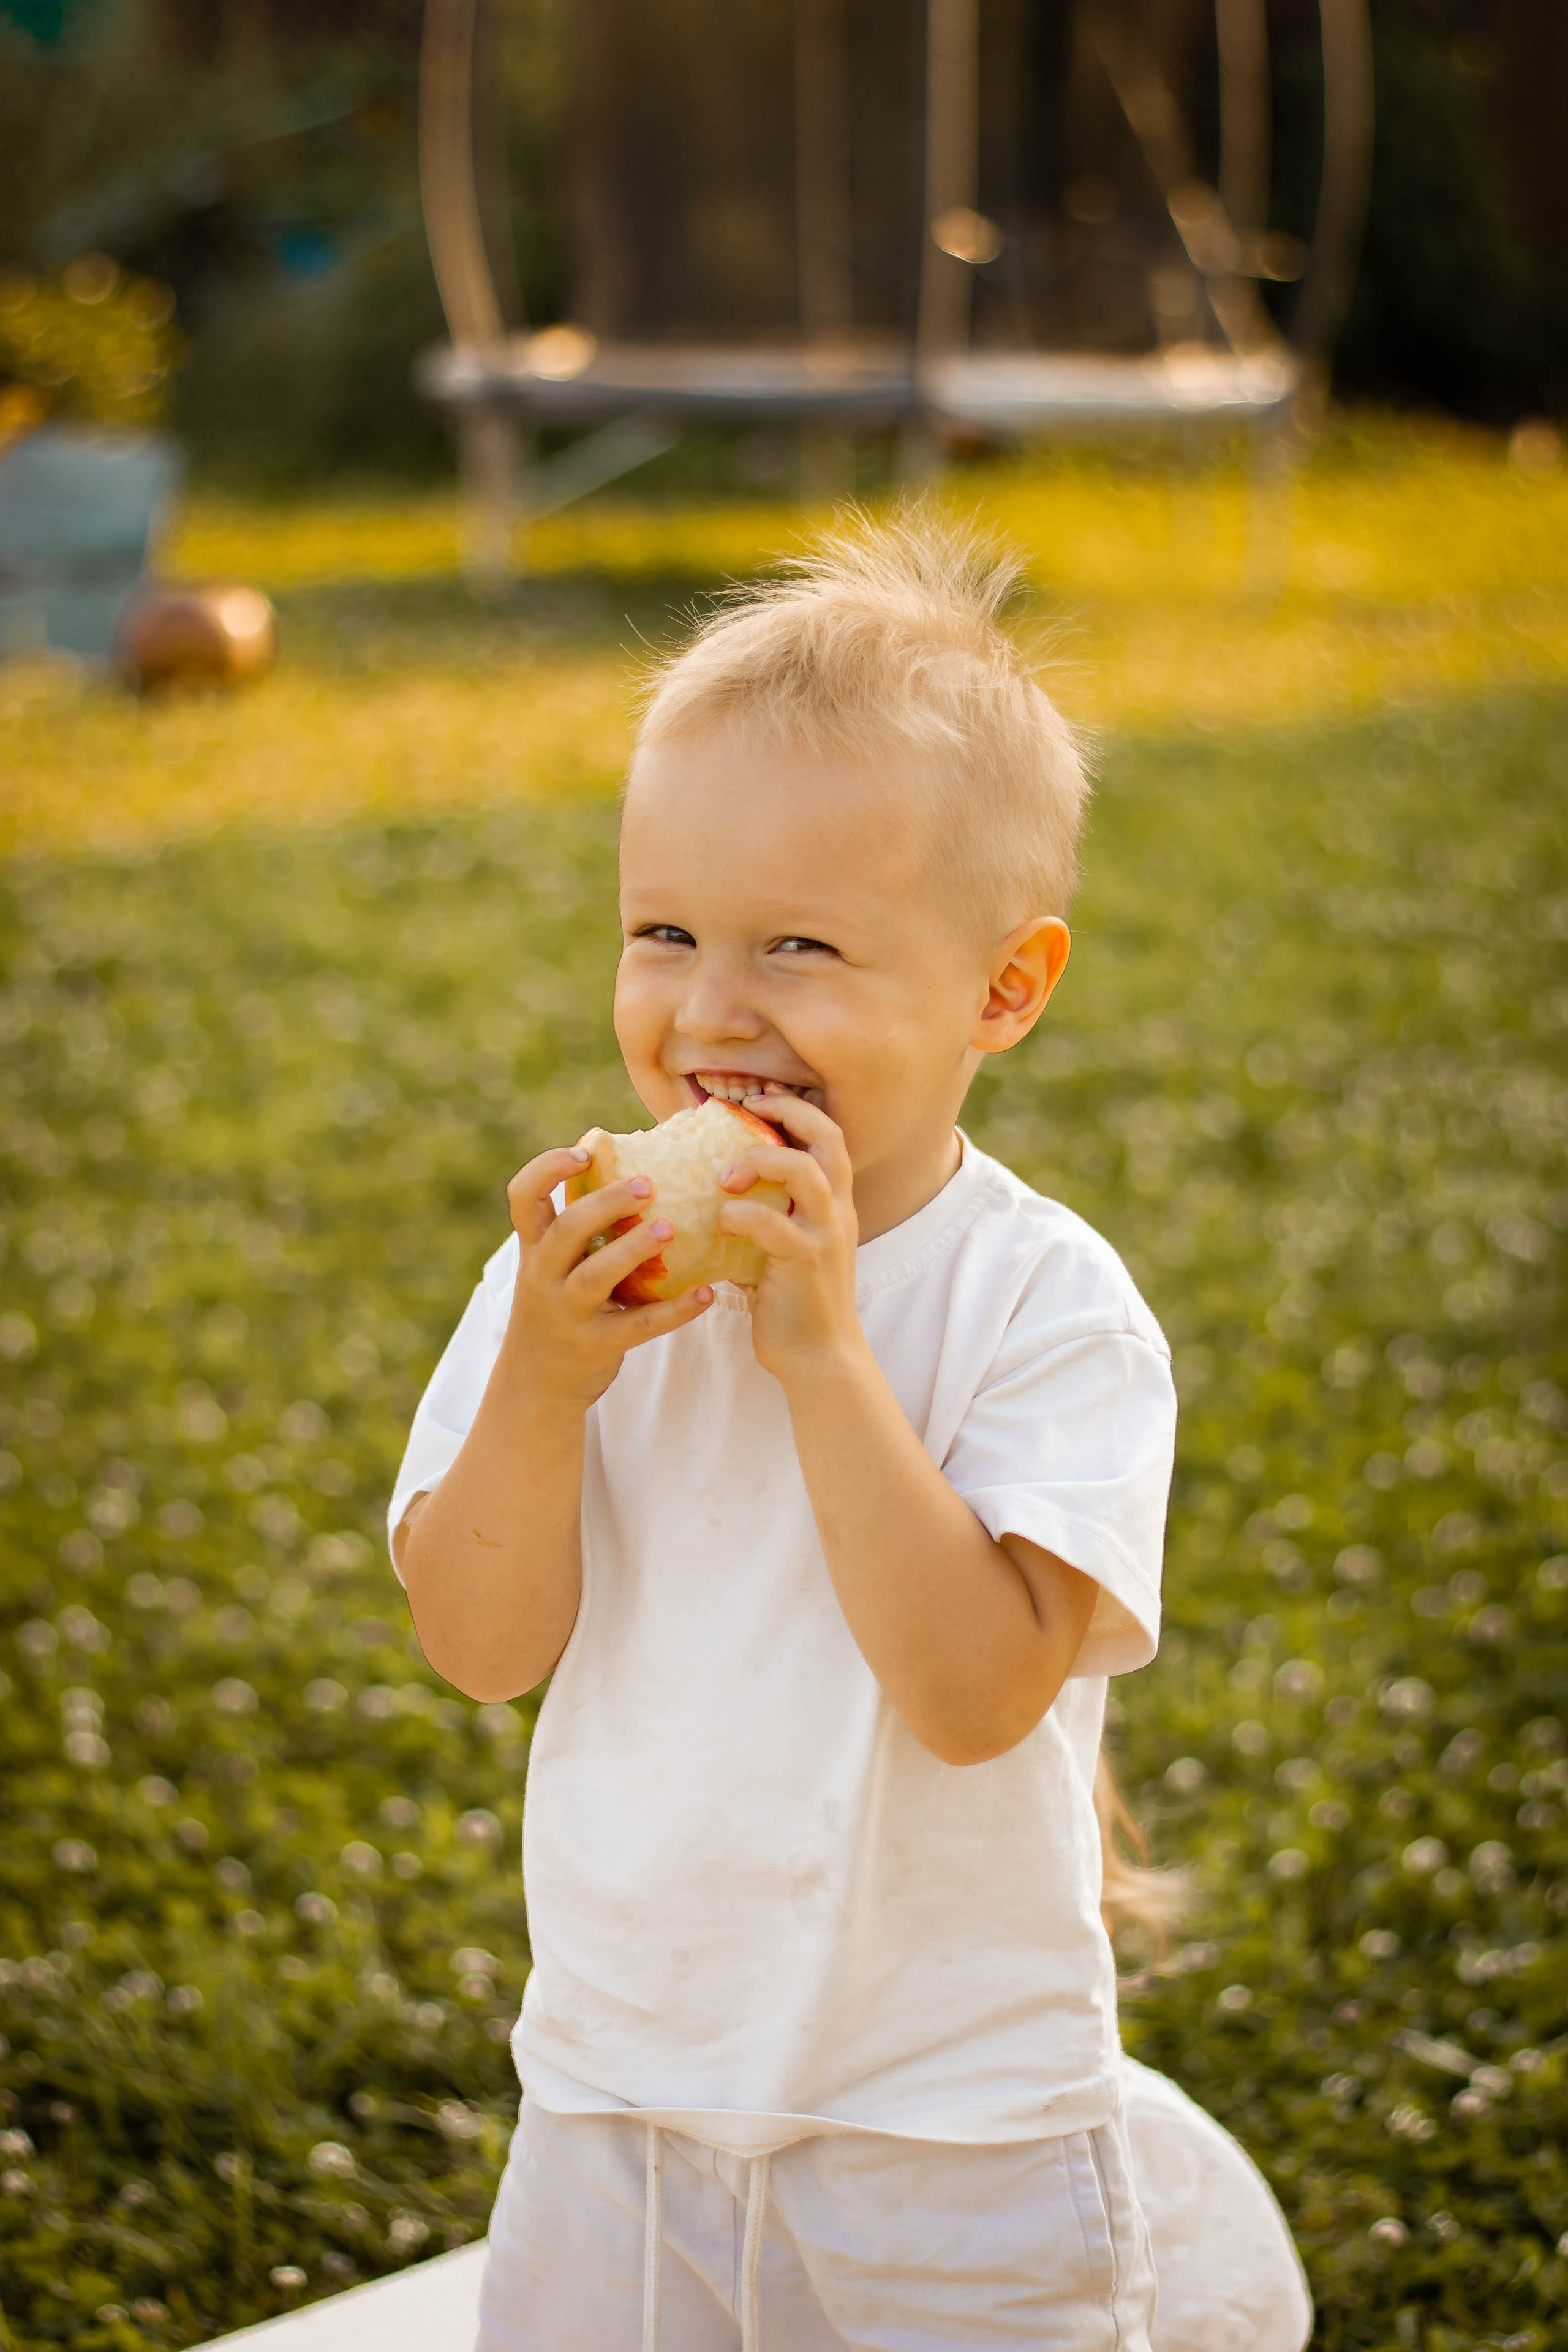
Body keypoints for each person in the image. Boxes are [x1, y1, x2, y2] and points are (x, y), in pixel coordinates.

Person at [389, 512, 1214, 2348]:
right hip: (621, 2095)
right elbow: (478, 1644)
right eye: (665, 931)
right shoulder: (568, 1282)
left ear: (1004, 990)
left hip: (949, 2130)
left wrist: (827, 1355)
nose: (712, 1010)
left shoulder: (1048, 1312)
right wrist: (541, 1382)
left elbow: (979, 1694)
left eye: (802, 946)